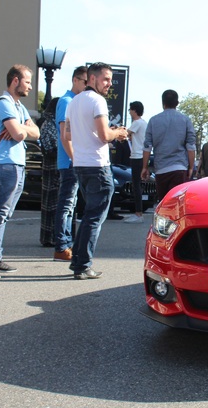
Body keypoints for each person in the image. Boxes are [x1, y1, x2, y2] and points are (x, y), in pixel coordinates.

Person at [64, 62, 128, 280]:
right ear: (92, 79)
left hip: (81, 165)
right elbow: (103, 136)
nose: (109, 84)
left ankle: (78, 262)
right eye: (106, 79)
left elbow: (68, 136)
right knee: (94, 219)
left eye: (110, 79)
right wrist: (117, 132)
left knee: (88, 216)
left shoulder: (73, 102)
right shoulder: (97, 101)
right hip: (98, 166)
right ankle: (82, 265)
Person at [0, 65, 39, 279]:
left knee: (5, 214)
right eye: (28, 81)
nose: (30, 86)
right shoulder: (4, 105)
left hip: (16, 165)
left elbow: (36, 132)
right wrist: (21, 129)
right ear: (15, 80)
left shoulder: (18, 107)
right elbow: (20, 135)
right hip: (5, 164)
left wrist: (21, 127)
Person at [53, 66, 88, 263]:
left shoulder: (74, 101)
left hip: (73, 160)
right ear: (75, 80)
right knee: (66, 204)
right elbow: (64, 133)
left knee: (71, 204)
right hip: (69, 161)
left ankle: (65, 243)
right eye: (84, 82)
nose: (86, 86)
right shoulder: (66, 101)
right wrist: (75, 158)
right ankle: (61, 246)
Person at [141, 89, 196, 202]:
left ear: (163, 103)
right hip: (179, 168)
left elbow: (147, 147)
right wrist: (191, 167)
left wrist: (144, 167)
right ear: (177, 103)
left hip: (161, 169)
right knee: (178, 205)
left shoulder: (153, 120)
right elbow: (190, 146)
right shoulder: (185, 120)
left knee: (164, 204)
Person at [39, 97, 60, 247]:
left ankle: (56, 235)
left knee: (57, 203)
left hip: (56, 165)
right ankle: (48, 236)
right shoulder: (48, 125)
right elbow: (48, 148)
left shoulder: (55, 124)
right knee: (50, 203)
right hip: (51, 167)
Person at [124, 101, 147, 223]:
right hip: (141, 156)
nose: (129, 112)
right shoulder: (143, 123)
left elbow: (126, 134)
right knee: (137, 184)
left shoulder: (137, 123)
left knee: (136, 184)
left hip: (137, 156)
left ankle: (138, 213)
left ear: (134, 110)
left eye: (130, 110)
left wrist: (117, 130)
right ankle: (138, 212)